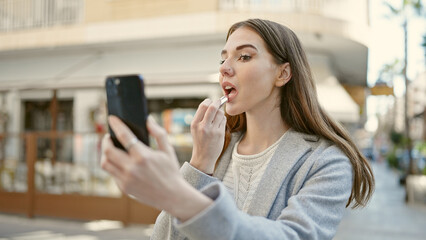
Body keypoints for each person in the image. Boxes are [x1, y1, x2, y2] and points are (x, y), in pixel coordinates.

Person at [101, 19, 375, 240]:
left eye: (244, 57)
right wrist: (199, 165)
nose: (225, 69)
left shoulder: (326, 162)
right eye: (223, 59)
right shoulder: (216, 148)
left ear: (283, 73)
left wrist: (176, 194)